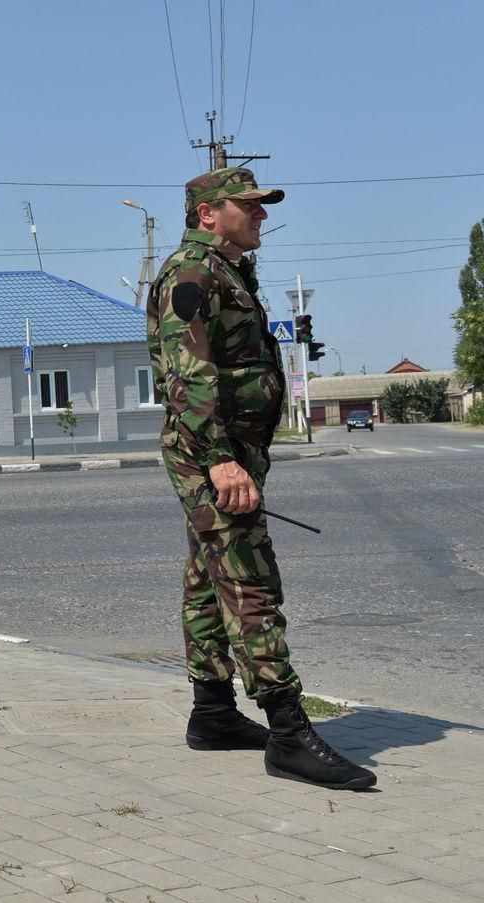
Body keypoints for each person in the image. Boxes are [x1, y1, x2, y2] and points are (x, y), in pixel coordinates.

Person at [146, 166, 375, 790]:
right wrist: (221, 459)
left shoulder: (227, 272)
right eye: (248, 206)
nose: (262, 216)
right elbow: (189, 377)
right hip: (212, 451)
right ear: (207, 214)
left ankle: (214, 713)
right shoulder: (191, 275)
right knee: (250, 578)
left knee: (207, 576)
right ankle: (288, 731)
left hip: (232, 449)